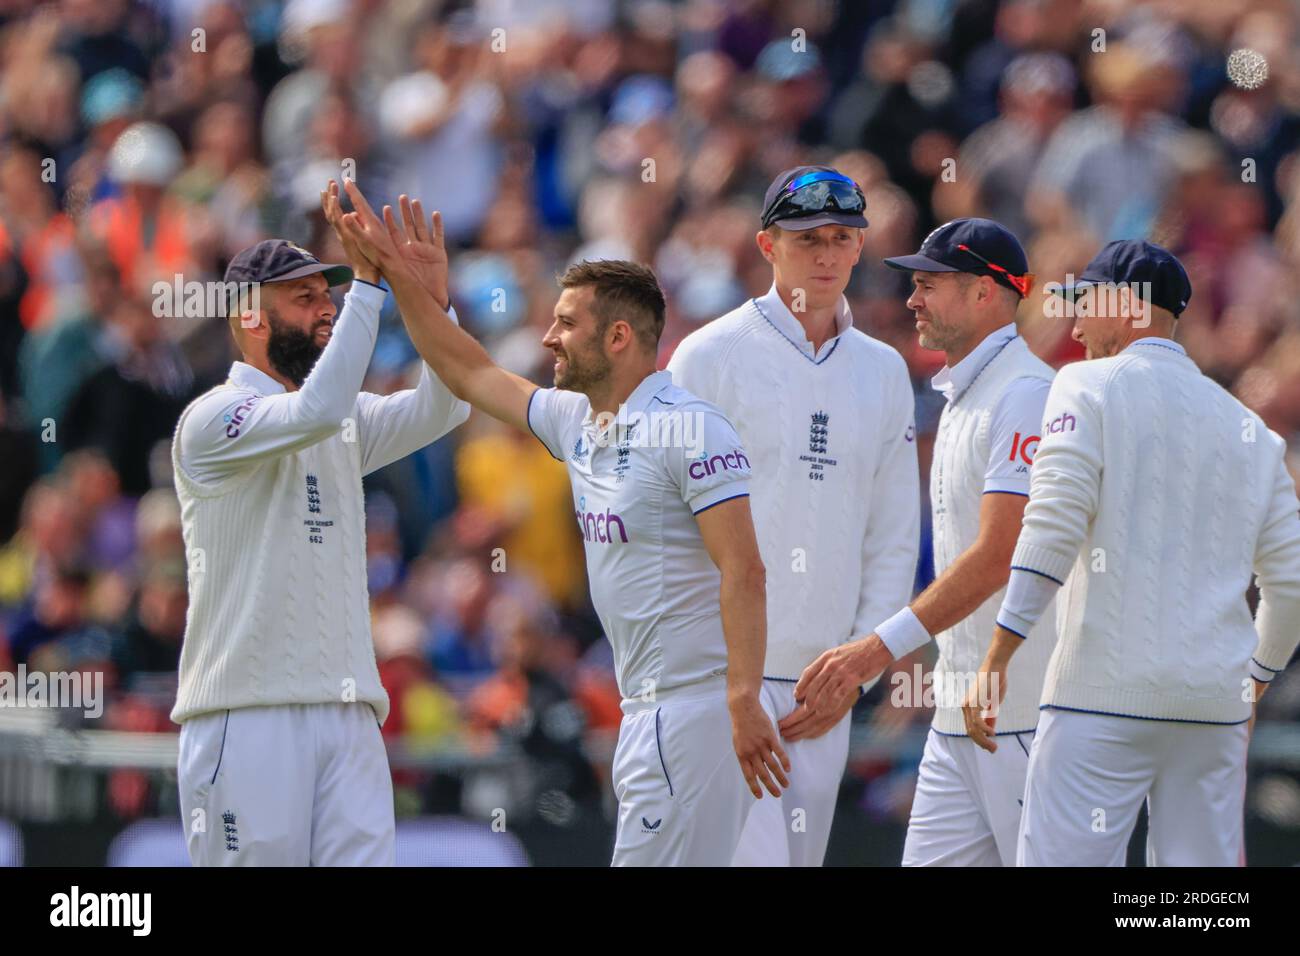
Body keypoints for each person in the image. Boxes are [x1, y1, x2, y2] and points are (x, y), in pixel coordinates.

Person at [334, 180, 788, 865]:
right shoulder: (578, 420)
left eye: (566, 323)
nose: (548, 335)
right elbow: (467, 371)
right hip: (654, 710)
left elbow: (745, 569)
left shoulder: (690, 429)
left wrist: (744, 699)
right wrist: (411, 284)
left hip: (692, 713)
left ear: (619, 336)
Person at [964, 240, 1300, 866]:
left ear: (1128, 307)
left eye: (1084, 303)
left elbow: (1054, 525)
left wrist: (1000, 651)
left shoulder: (1083, 384)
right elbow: (1291, 585)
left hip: (1099, 696)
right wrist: (1252, 685)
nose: (1077, 323)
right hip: (1211, 705)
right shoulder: (1252, 429)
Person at [171, 181, 470, 866]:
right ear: (249, 317)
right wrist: (370, 284)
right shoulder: (211, 421)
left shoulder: (340, 419)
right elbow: (315, 411)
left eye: (331, 295)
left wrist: (428, 300)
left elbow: (445, 407)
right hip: (245, 717)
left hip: (349, 715)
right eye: (306, 299)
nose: (328, 310)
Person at [667, 165, 919, 866]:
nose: (828, 254)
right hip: (724, 681)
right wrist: (725, 679)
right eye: (808, 238)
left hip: (824, 688)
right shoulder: (708, 356)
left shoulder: (883, 370)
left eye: (842, 237)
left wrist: (858, 670)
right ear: (767, 245)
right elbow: (672, 526)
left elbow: (893, 535)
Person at [796, 218, 1056, 866]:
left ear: (986, 293)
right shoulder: (967, 396)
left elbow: (1000, 555)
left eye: (929, 285)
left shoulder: (1024, 395)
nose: (912, 300)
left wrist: (876, 649)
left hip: (1026, 715)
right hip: (960, 717)